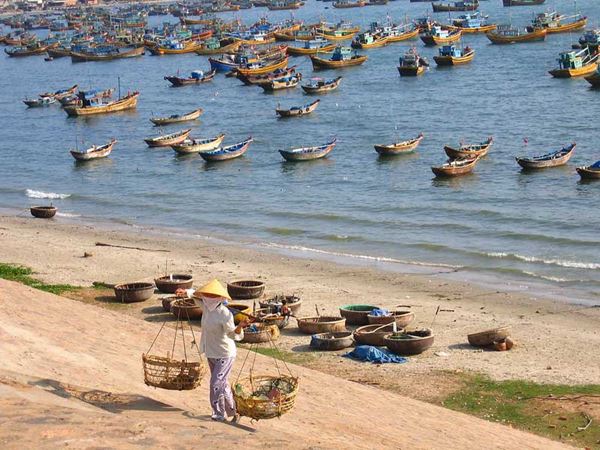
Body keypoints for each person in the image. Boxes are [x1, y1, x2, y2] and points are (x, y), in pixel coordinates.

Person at [176, 279, 249, 422]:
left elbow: (232, 334)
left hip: (224, 354)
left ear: (220, 298)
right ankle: (234, 411)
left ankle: (218, 413)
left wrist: (240, 326)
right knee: (223, 384)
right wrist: (185, 292)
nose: (208, 298)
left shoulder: (225, 314)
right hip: (210, 351)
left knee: (215, 383)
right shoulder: (205, 306)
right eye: (207, 295)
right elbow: (195, 296)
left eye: (211, 296)